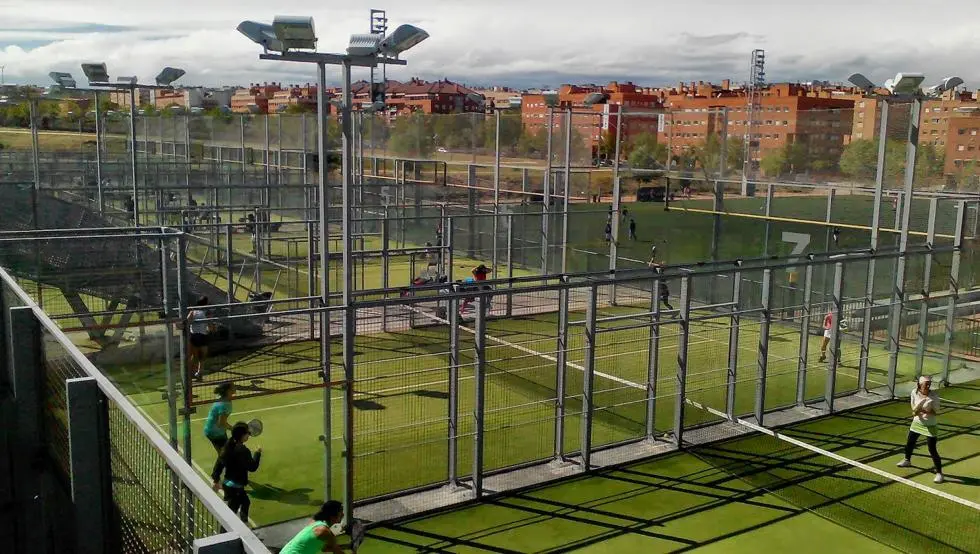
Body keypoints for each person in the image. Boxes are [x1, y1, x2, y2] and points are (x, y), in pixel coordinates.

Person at [897, 375, 944, 483]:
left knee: (932, 449)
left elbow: (937, 411)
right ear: (919, 385)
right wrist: (915, 411)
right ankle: (907, 460)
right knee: (910, 443)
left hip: (930, 425)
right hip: (917, 423)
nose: (928, 386)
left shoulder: (934, 396)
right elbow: (913, 407)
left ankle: (939, 473)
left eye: (929, 384)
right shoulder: (914, 392)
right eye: (925, 384)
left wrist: (926, 411)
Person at [212, 422, 262, 523]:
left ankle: (244, 525)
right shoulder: (242, 450)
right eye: (247, 433)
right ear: (242, 436)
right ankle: (225, 534)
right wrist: (257, 453)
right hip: (236, 487)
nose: (249, 435)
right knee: (231, 514)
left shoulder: (228, 445)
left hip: (228, 485)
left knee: (245, 502)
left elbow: (219, 463)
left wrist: (216, 479)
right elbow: (252, 467)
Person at [280, 501, 347, 554]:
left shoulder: (315, 523)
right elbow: (337, 551)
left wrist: (348, 546)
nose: (343, 514)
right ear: (333, 515)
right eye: (340, 512)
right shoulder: (324, 531)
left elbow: (325, 548)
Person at [204, 382, 235, 452]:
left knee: (225, 452)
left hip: (217, 430)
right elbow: (221, 423)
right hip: (214, 432)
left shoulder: (223, 398)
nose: (235, 388)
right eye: (233, 386)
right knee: (225, 454)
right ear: (228, 391)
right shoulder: (224, 405)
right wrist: (234, 429)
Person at [187, 297, 212, 380]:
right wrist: (209, 329)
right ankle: (199, 372)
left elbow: (187, 321)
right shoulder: (207, 312)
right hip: (202, 336)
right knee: (202, 356)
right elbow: (210, 326)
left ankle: (191, 373)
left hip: (194, 335)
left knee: (194, 356)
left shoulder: (192, 311)